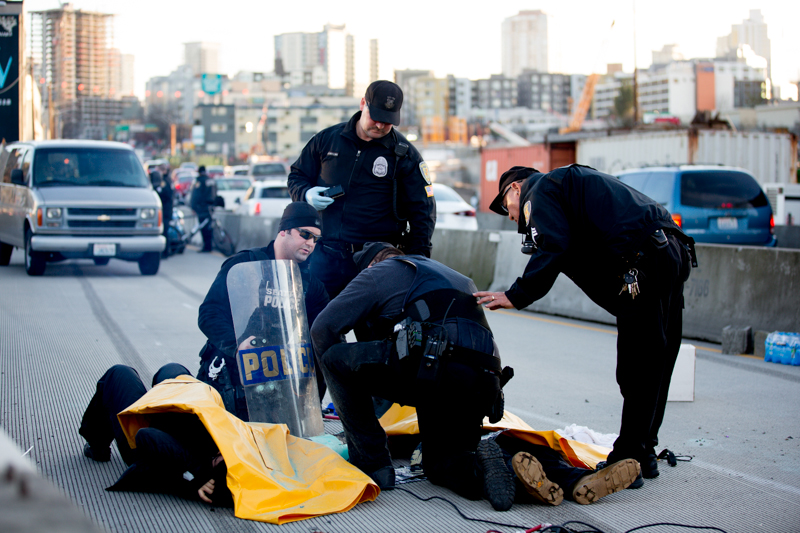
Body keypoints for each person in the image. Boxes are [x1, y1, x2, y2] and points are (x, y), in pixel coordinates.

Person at [475, 164, 697, 488]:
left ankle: (629, 459)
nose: (510, 217)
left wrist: (516, 294)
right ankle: (644, 451)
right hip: (671, 251)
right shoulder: (570, 187)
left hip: (643, 258)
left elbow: (554, 245)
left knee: (638, 364)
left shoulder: (540, 191)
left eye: (506, 207)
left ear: (515, 189)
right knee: (657, 360)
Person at [310, 242, 517, 511]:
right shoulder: (459, 277)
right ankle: (488, 467)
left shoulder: (376, 273)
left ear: (371, 264)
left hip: (433, 370)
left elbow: (322, 328)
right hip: (484, 382)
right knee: (441, 463)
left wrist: (349, 391)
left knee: (334, 359)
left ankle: (374, 465)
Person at [288, 80, 436, 298]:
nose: (380, 126)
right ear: (362, 105)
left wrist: (416, 264)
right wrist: (306, 195)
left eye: (388, 122)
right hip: (326, 256)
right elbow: (297, 176)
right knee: (315, 325)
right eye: (376, 118)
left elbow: (423, 213)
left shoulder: (404, 155)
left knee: (375, 333)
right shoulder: (327, 140)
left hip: (375, 262)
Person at [196, 202, 329, 421]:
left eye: (316, 238)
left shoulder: (311, 285)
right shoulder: (243, 265)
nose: (310, 243)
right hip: (234, 369)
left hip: (280, 379)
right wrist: (237, 345)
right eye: (305, 234)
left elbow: (322, 337)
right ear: (283, 230)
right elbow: (209, 314)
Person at [79, 363, 233, 506]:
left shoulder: (201, 467)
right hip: (171, 420)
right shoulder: (231, 451)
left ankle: (97, 445)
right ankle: (164, 392)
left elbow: (146, 436)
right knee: (173, 370)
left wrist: (198, 474)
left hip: (145, 444)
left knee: (119, 373)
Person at [190, 165, 215, 252]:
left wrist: (193, 206)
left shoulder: (199, 181)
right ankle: (209, 246)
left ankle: (206, 246)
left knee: (203, 227)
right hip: (210, 207)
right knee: (209, 227)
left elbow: (196, 195)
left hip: (202, 208)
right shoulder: (210, 180)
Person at [150, 166, 174, 257]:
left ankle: (165, 252)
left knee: (164, 232)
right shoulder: (169, 180)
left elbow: (165, 195)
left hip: (166, 210)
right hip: (168, 210)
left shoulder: (164, 181)